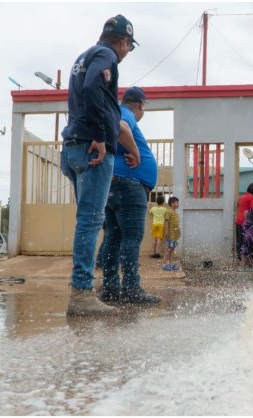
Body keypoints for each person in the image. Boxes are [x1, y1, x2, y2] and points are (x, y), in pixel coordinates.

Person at [60, 14, 138, 316]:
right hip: (91, 148)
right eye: (129, 46)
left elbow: (84, 96)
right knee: (91, 222)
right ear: (124, 42)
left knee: (87, 222)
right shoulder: (106, 56)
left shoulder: (84, 56)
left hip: (73, 146)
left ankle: (81, 291)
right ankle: (81, 294)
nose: (127, 52)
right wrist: (99, 136)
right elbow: (94, 89)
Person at [99, 86, 161, 305]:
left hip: (113, 184)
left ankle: (110, 288)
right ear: (141, 104)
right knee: (131, 238)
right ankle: (131, 288)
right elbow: (121, 126)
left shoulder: (110, 114)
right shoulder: (124, 113)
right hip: (129, 186)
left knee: (113, 238)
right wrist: (136, 154)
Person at [235, 183, 253, 260]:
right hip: (245, 222)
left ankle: (239, 256)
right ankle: (244, 259)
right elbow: (252, 211)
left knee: (239, 240)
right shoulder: (252, 198)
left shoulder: (242, 197)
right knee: (246, 241)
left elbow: (239, 207)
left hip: (238, 220)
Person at [163, 196, 181, 271]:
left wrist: (179, 231)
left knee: (173, 249)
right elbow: (166, 222)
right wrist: (166, 231)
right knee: (169, 249)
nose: (178, 204)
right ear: (172, 203)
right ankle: (166, 264)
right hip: (170, 234)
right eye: (176, 202)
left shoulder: (175, 213)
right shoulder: (168, 212)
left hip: (175, 235)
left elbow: (177, 224)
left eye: (177, 202)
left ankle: (171, 264)